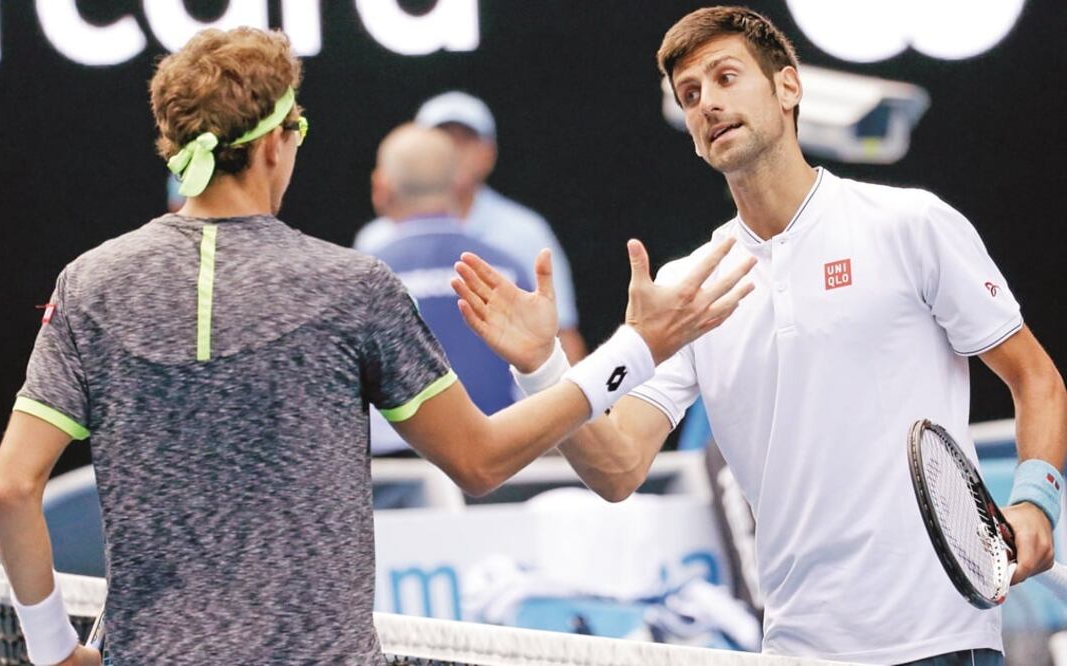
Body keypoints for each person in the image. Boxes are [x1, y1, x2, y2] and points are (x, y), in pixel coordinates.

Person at [0, 26, 755, 665]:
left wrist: (53, 650)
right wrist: (637, 349)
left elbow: (9, 491)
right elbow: (480, 460)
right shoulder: (347, 286)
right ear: (275, 145)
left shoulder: (90, 284)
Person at [450, 7, 1066, 665]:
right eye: (690, 95)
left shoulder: (908, 224)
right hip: (796, 649)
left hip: (943, 643)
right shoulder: (690, 286)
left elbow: (1036, 380)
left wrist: (1033, 504)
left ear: (788, 88)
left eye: (725, 78)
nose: (708, 103)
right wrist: (544, 364)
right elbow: (617, 467)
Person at [353, 91, 589, 362]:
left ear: (489, 153)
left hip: (511, 401)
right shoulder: (374, 240)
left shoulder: (526, 232)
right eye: (441, 139)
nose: (452, 149)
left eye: (466, 140)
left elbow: (562, 335)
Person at [367, 123, 529, 472]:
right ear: (459, 183)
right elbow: (542, 383)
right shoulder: (507, 270)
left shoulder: (360, 278)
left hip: (398, 485)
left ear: (380, 188)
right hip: (504, 471)